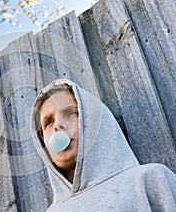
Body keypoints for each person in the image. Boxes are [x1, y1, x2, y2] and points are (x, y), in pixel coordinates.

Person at [31, 79, 176, 211]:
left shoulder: (150, 180)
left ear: (94, 122)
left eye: (71, 113)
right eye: (48, 122)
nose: (58, 125)